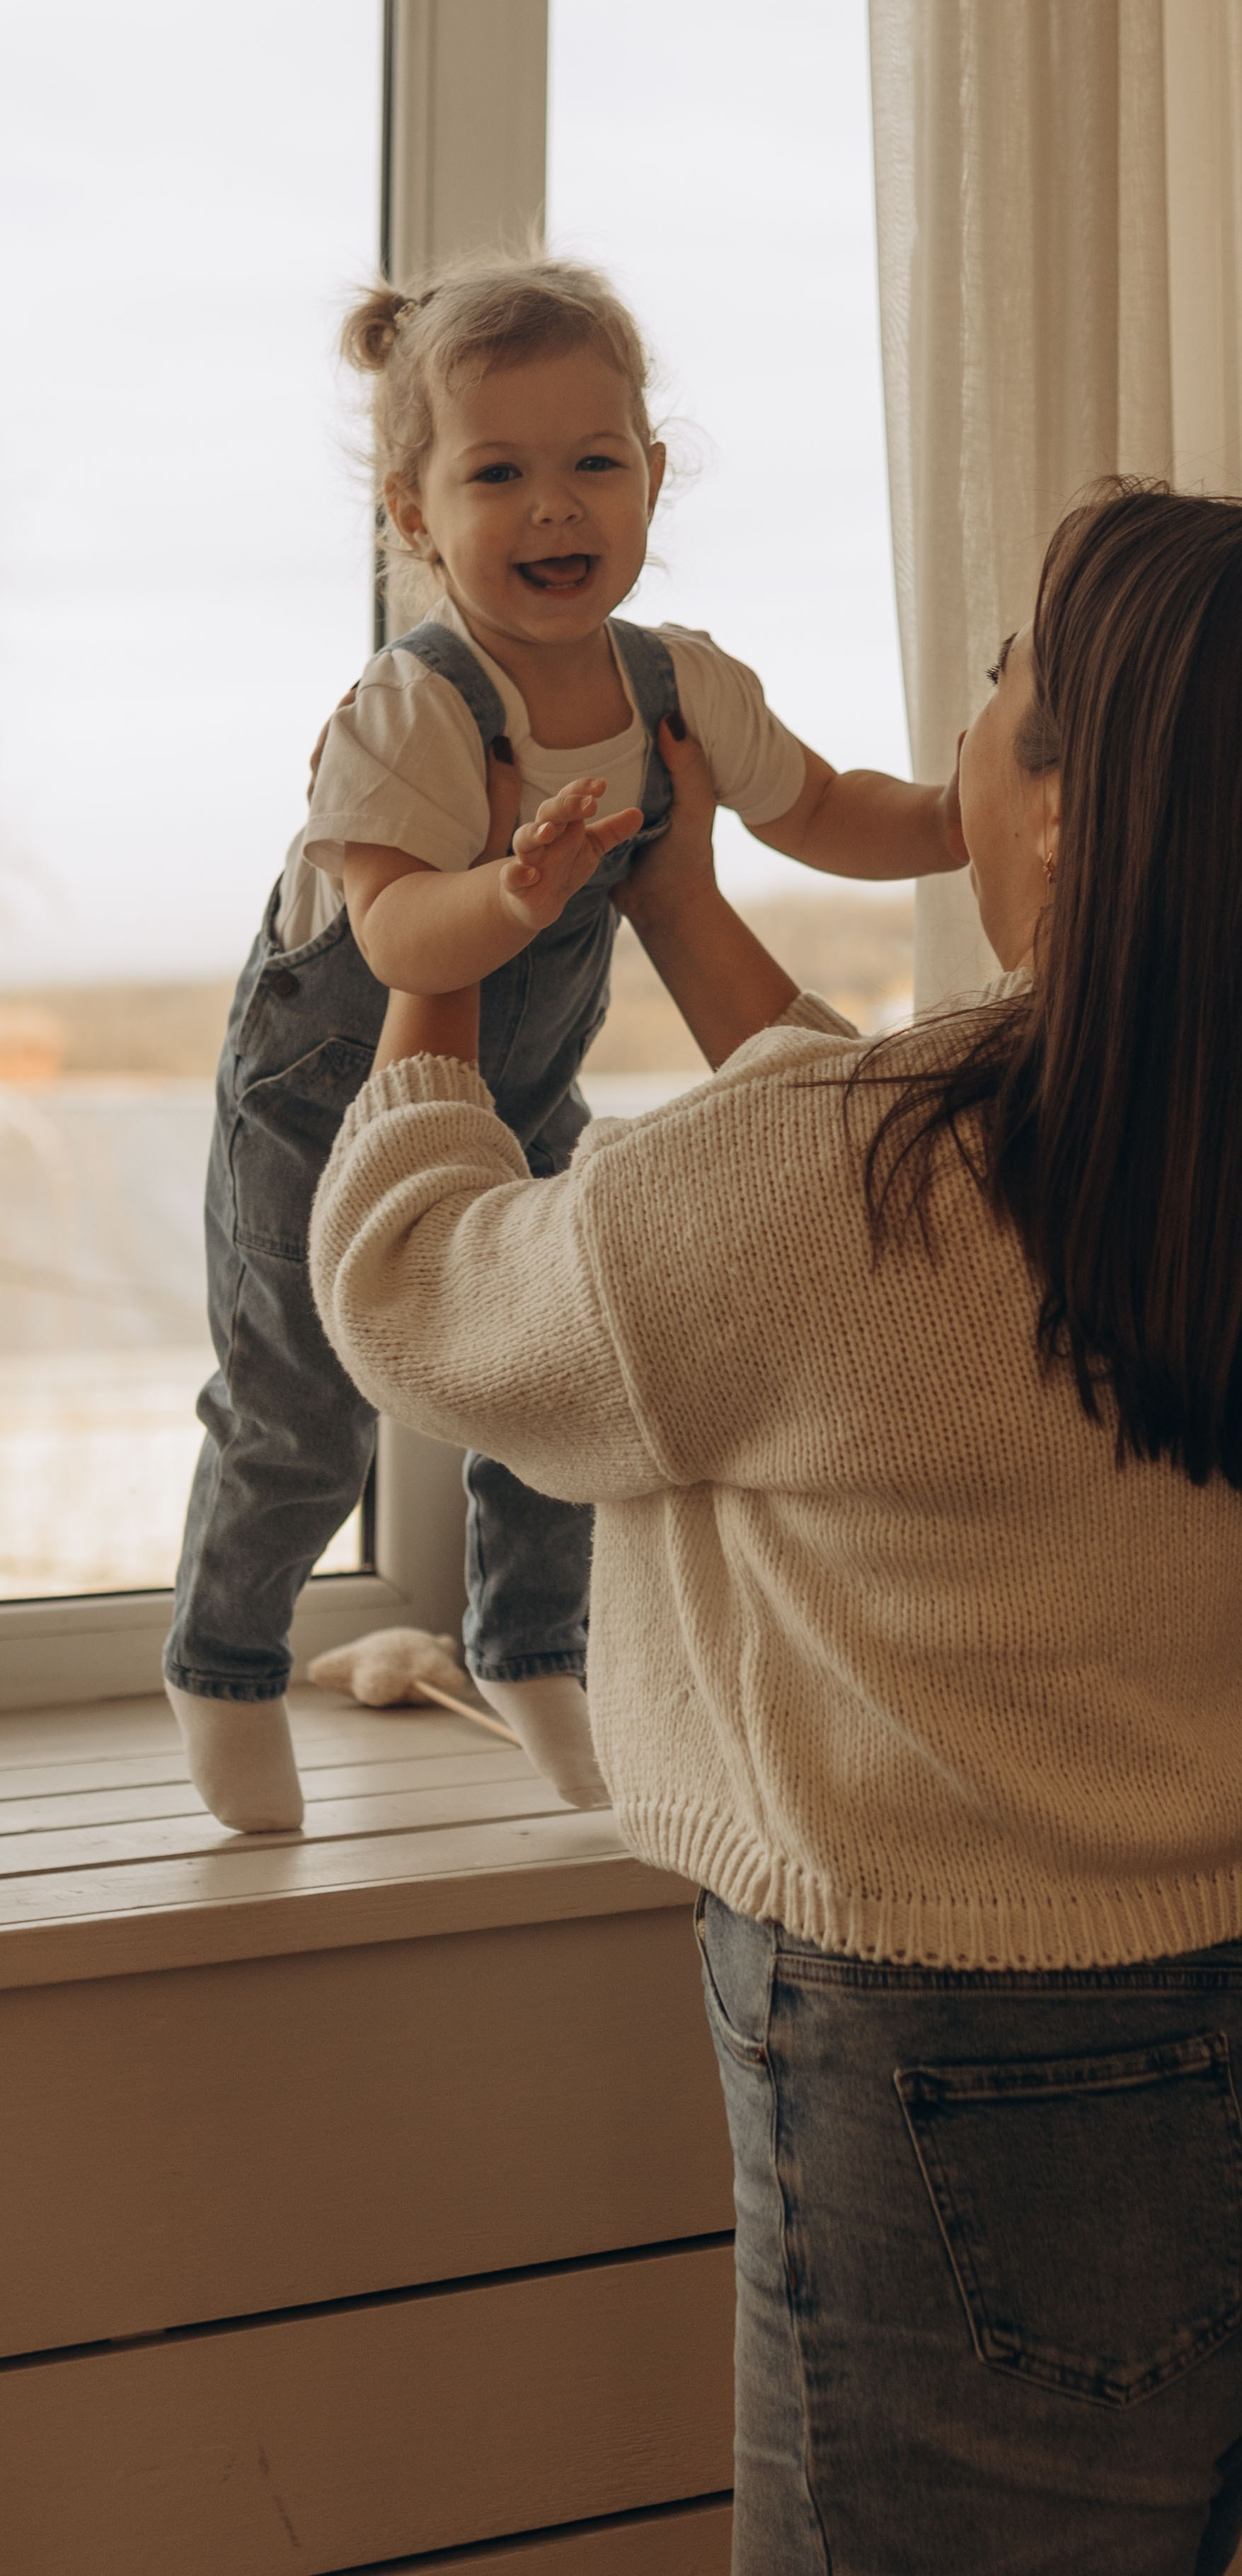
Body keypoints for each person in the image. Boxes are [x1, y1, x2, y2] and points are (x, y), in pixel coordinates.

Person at [308, 484, 1242, 2573]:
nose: (967, 714)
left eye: (1004, 678)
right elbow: (887, 1250)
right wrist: (672, 911)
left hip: (990, 2125)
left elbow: (413, 1284)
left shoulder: (850, 1194)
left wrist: (448, 940)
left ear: (1062, 810)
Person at [161, 252, 963, 1833]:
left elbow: (817, 806)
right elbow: (396, 940)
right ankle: (225, 1660)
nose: (554, 507)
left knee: (552, 1376)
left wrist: (953, 817)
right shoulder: (411, 707)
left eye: (594, 463)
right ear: (415, 513)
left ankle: (534, 1645)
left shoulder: (676, 680)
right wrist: (508, 888)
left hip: (516, 1089)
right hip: (321, 1102)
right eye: (499, 473)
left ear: (652, 479)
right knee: (295, 1412)